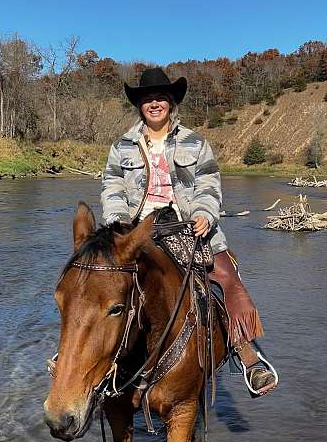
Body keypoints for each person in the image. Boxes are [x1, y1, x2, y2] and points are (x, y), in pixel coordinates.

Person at [101, 67, 277, 397]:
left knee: (225, 276)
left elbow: (209, 184)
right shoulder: (122, 146)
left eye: (161, 98)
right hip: (136, 229)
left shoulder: (195, 142)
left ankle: (247, 356)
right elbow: (112, 185)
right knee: (94, 280)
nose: (154, 104)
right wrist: (118, 221)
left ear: (170, 102)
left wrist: (205, 214)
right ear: (140, 105)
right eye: (148, 99)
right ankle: (79, 361)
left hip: (185, 225)